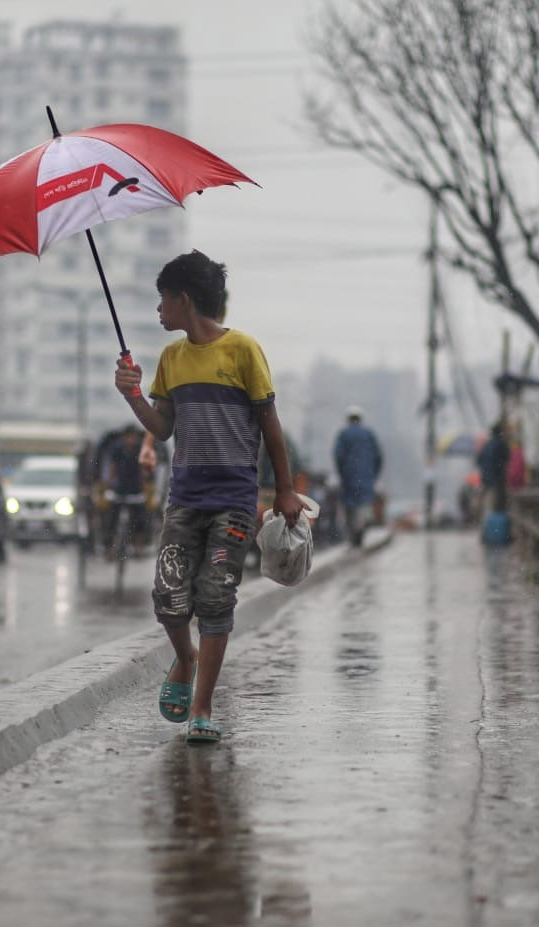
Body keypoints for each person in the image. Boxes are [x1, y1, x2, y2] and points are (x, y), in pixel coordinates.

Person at [115, 249, 303, 746]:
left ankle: (202, 705)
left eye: (162, 300)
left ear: (184, 299)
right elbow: (163, 426)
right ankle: (186, 656)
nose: (158, 311)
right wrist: (133, 396)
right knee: (169, 595)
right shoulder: (171, 359)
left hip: (234, 500)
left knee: (215, 596)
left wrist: (284, 489)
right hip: (185, 498)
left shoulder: (243, 350)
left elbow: (269, 424)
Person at [332, 405, 383, 547]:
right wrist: (373, 473)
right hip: (366, 477)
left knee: (350, 505)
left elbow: (338, 456)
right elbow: (378, 457)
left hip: (349, 478)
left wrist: (342, 473)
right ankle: (361, 526)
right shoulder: (369, 435)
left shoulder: (343, 434)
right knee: (364, 504)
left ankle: (353, 531)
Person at [106, 427, 148, 556]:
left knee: (139, 519)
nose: (131, 440)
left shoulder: (141, 449)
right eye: (129, 437)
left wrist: (145, 482)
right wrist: (110, 483)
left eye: (133, 437)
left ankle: (138, 548)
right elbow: (112, 467)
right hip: (120, 488)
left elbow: (144, 469)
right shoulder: (117, 449)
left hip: (136, 488)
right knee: (112, 518)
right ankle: (111, 548)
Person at [476, 420, 511, 516]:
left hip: (485, 478)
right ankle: (493, 526)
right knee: (494, 504)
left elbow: (478, 460)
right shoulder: (501, 444)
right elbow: (507, 458)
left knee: (486, 503)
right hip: (496, 479)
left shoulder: (486, 445)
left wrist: (486, 469)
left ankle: (484, 523)